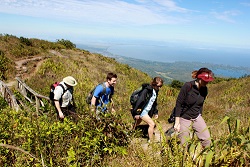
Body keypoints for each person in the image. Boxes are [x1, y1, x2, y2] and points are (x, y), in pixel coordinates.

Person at [173, 67, 214, 148]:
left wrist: (200, 117)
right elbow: (178, 104)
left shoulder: (205, 89)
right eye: (204, 80)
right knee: (184, 143)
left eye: (207, 81)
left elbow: (200, 104)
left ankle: (204, 158)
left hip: (196, 116)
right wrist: (177, 122)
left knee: (207, 140)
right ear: (199, 78)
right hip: (184, 117)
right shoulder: (188, 86)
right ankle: (184, 159)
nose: (206, 82)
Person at [132, 77, 164, 142]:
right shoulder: (147, 90)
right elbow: (140, 101)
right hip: (142, 111)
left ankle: (131, 133)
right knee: (152, 124)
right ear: (154, 84)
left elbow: (154, 103)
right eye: (158, 86)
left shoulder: (155, 91)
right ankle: (150, 141)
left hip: (146, 111)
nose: (159, 88)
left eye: (161, 86)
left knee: (137, 122)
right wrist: (137, 113)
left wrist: (155, 112)